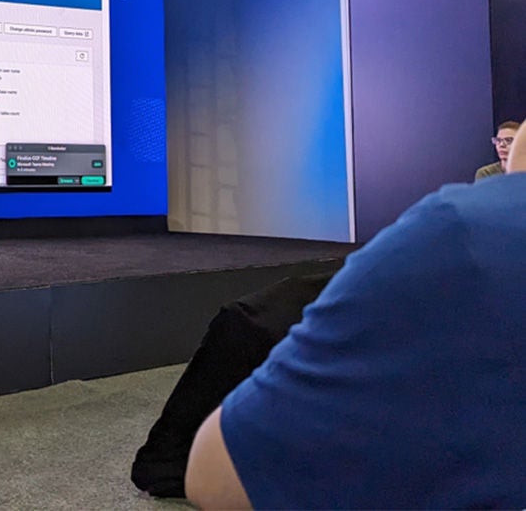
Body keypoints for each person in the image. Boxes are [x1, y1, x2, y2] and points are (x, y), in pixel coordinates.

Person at [185, 127, 526, 509]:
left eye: (509, 140)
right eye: (498, 139)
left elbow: (214, 474)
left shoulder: (457, 229)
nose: (501, 145)